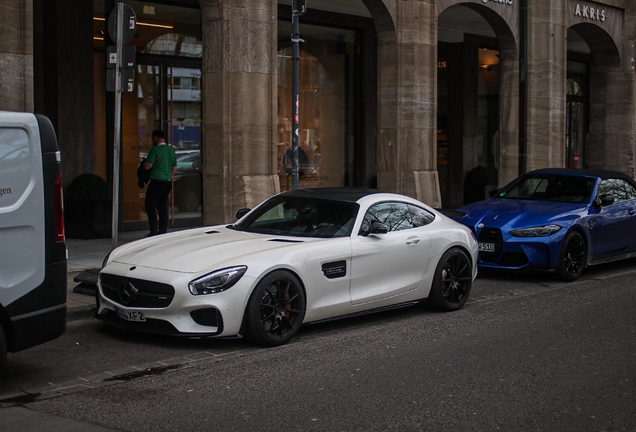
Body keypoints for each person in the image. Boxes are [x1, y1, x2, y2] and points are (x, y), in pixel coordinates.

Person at [143, 129, 177, 236]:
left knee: (150, 205)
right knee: (162, 207)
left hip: (156, 182)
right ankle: (163, 231)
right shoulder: (171, 150)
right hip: (167, 182)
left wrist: (144, 163)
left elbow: (148, 166)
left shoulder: (155, 150)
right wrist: (169, 177)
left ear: (156, 138)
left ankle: (153, 231)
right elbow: (174, 166)